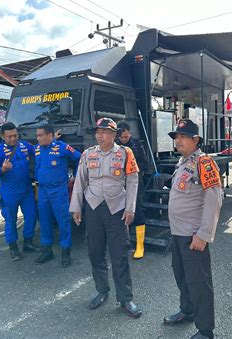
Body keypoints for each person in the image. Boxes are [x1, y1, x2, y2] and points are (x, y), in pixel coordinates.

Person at [70, 117, 142, 318]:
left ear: (114, 134)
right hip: (93, 208)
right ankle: (102, 290)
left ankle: (126, 298)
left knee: (119, 254)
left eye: (104, 132)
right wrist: (76, 208)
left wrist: (130, 207)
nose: (99, 136)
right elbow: (80, 181)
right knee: (95, 251)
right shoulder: (88, 154)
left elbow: (133, 180)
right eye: (97, 132)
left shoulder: (125, 153)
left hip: (117, 209)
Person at [163, 119, 223, 339]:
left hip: (193, 235)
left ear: (195, 140)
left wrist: (204, 235)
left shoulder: (204, 162)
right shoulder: (183, 162)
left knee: (199, 282)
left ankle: (205, 330)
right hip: (178, 232)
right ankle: (187, 311)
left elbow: (214, 198)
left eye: (182, 137)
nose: (178, 140)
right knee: (182, 275)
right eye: (176, 137)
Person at [0, 122, 39, 261]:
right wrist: (2, 170)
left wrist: (53, 140)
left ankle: (28, 242)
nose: (13, 139)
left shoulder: (24, 146)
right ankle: (13, 247)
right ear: (3, 137)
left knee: (32, 216)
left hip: (27, 190)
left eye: (15, 135)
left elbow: (38, 151)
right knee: (10, 220)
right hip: (9, 192)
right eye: (9, 137)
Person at [34, 124, 81, 267]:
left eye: (40, 135)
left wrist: (77, 176)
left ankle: (66, 252)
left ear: (50, 135)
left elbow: (80, 157)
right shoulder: (37, 149)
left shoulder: (61, 147)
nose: (38, 138)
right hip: (42, 191)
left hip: (58, 191)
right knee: (44, 220)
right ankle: (47, 250)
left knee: (63, 221)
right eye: (37, 135)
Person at [116, 120, 149, 260]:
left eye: (125, 136)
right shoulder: (115, 147)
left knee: (137, 211)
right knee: (121, 212)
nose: (123, 139)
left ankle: (140, 246)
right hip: (118, 183)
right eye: (121, 137)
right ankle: (124, 243)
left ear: (129, 133)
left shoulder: (137, 144)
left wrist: (133, 171)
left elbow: (144, 162)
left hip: (134, 182)